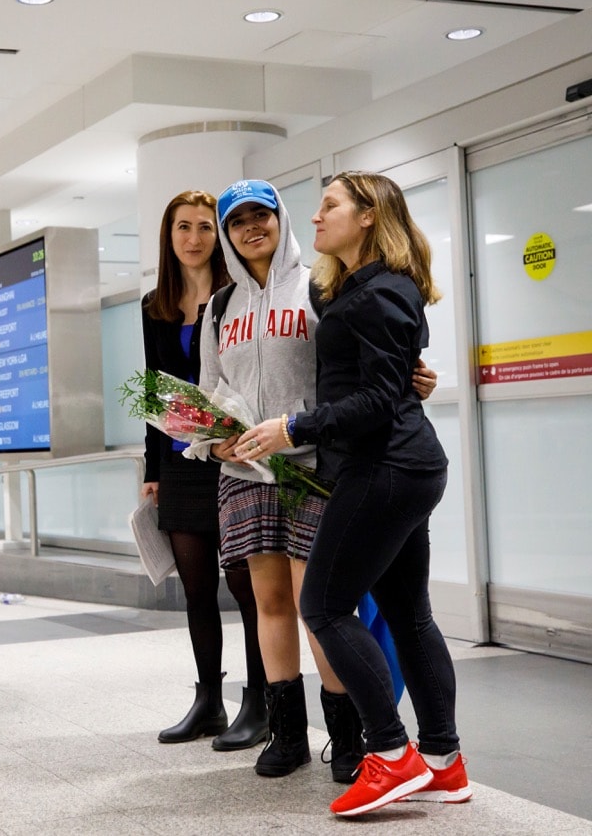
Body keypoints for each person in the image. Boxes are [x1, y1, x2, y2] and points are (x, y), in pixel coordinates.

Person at [241, 171, 466, 816]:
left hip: (384, 469)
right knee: (408, 613)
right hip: (402, 466)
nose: (316, 218)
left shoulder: (378, 295)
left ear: (369, 217)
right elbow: (390, 383)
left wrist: (292, 427)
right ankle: (444, 762)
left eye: (330, 206)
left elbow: (374, 400)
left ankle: (392, 755)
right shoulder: (361, 290)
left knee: (325, 606)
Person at [199, 179, 437, 782]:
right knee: (269, 602)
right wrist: (211, 440)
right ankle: (285, 734)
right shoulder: (219, 308)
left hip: (316, 466)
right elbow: (206, 391)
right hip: (245, 469)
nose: (252, 227)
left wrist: (414, 378)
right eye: (237, 221)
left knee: (320, 605)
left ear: (279, 220)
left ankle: (349, 737)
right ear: (226, 235)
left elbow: (366, 365)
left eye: (263, 215)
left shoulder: (321, 286)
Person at [141, 190, 267, 751]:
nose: (194, 239)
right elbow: (154, 392)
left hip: (238, 455)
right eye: (182, 228)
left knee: (246, 584)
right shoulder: (154, 306)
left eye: (203, 228)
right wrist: (152, 467)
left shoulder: (238, 297)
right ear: (169, 239)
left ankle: (262, 701)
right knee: (196, 589)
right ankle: (208, 701)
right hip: (181, 461)